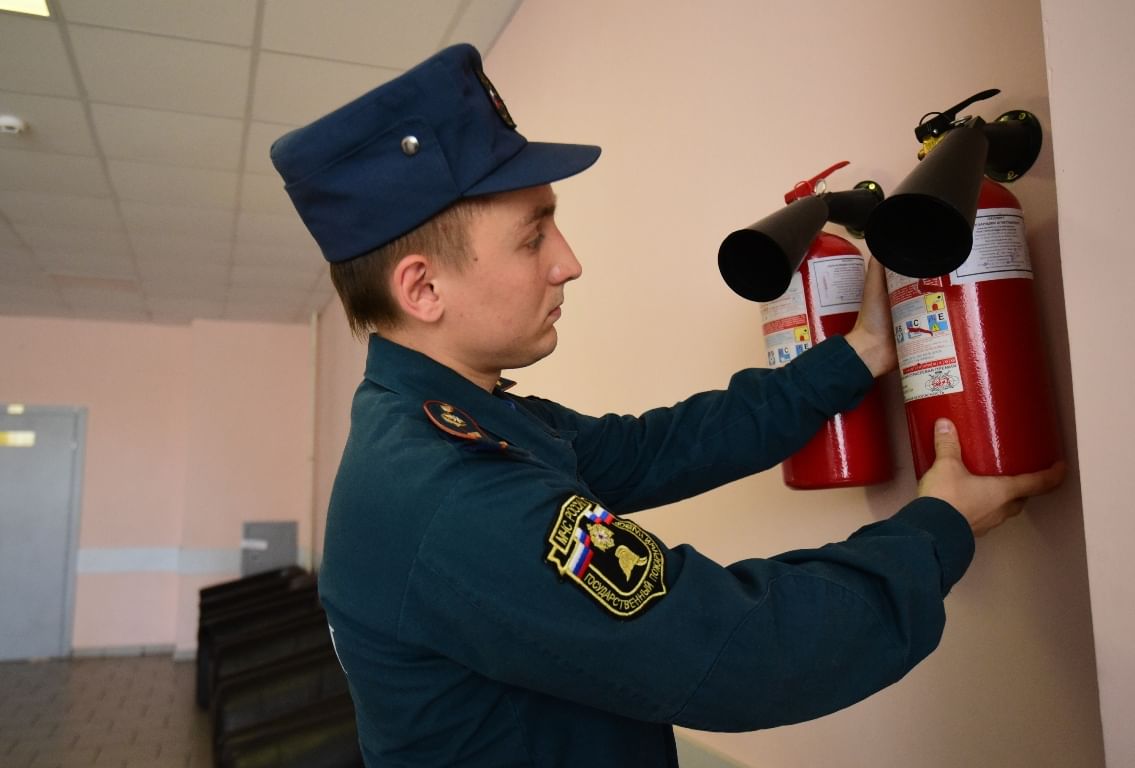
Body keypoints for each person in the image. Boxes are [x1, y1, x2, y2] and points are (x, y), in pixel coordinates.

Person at [270, 43, 1063, 767]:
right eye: (532, 236)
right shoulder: (451, 492)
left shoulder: (454, 422)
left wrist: (854, 356)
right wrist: (938, 529)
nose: (569, 263)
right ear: (422, 288)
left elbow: (658, 447)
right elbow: (743, 651)